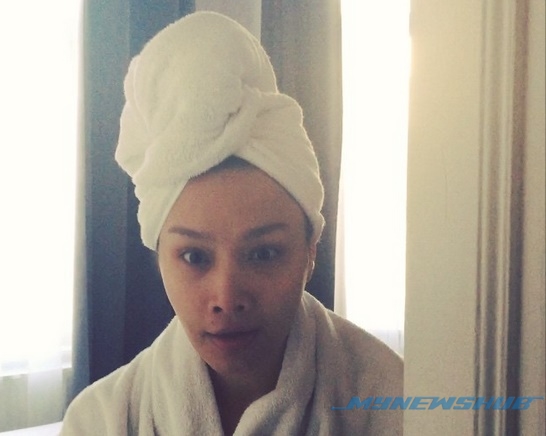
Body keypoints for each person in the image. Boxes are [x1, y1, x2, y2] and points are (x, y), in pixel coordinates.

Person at [61, 11, 403, 435]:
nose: (226, 297)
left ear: (310, 251)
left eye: (264, 253)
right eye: (194, 256)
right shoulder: (100, 420)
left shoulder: (394, 402)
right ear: (159, 256)